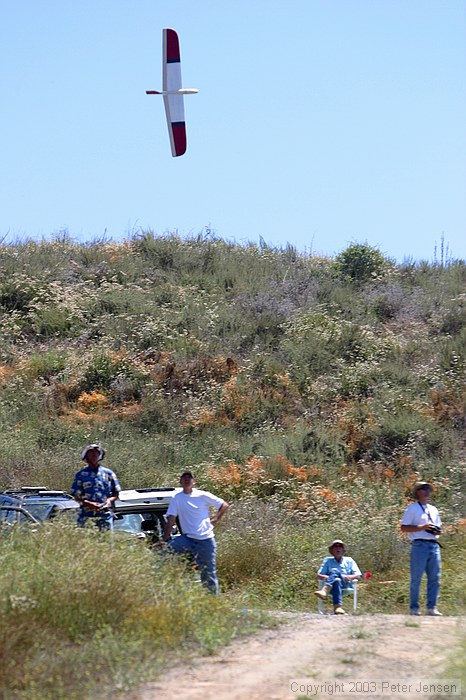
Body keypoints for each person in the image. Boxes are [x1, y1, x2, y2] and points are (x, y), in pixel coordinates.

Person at [160, 471, 229, 594]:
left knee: (208, 573)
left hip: (205, 540)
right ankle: (165, 585)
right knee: (164, 550)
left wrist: (215, 519)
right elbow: (171, 520)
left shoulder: (202, 495)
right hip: (187, 539)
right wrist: (163, 540)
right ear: (180, 482)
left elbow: (224, 505)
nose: (186, 480)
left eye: (189, 478)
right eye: (184, 478)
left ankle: (212, 602)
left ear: (193, 482)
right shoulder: (177, 498)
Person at [400, 481, 442, 616]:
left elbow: (438, 526)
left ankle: (431, 607)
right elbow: (403, 528)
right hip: (419, 545)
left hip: (433, 544)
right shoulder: (412, 509)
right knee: (416, 578)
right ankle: (414, 608)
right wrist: (421, 528)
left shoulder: (433, 509)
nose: (427, 491)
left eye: (428, 489)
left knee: (435, 577)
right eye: (424, 489)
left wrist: (436, 531)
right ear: (418, 492)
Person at [70, 444, 121, 530]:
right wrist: (90, 504)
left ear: (100, 455)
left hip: (105, 515)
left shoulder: (108, 473)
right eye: (91, 452)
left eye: (96, 452)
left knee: (106, 541)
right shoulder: (81, 475)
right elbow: (76, 496)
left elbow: (116, 493)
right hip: (86, 516)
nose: (94, 454)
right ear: (86, 456)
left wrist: (108, 501)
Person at [314, 539, 362, 614]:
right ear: (332, 550)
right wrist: (327, 577)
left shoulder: (349, 560)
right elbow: (319, 575)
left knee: (335, 571)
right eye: (335, 547)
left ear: (343, 549)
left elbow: (358, 575)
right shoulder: (327, 561)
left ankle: (325, 590)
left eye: (340, 546)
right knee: (336, 580)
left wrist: (350, 577)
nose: (338, 548)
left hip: (346, 584)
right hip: (333, 586)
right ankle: (337, 608)